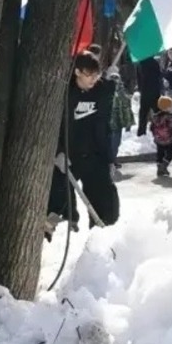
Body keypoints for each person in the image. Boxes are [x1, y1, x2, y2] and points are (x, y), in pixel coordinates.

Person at [48, 51, 121, 236]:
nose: (93, 80)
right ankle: (53, 225)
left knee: (105, 203)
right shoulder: (66, 92)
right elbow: (53, 124)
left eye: (96, 75)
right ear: (77, 72)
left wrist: (113, 78)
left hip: (95, 155)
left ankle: (100, 239)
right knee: (57, 198)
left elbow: (108, 116)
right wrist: (58, 151)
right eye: (89, 75)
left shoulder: (102, 89)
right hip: (69, 156)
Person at [150, 94, 172, 178]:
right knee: (170, 153)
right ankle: (164, 165)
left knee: (160, 153)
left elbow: (151, 127)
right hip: (168, 139)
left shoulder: (155, 117)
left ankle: (160, 167)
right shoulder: (170, 117)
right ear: (167, 107)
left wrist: (156, 135)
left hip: (159, 139)